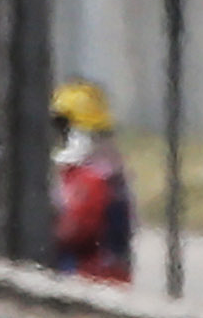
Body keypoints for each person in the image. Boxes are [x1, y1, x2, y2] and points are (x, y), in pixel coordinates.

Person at [48, 77, 137, 284]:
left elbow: (75, 230)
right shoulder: (108, 170)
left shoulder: (93, 177)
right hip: (103, 273)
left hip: (87, 275)